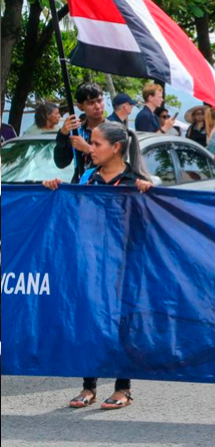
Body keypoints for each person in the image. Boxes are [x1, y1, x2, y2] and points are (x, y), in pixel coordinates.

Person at [43, 121, 153, 411]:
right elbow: (72, 212)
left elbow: (154, 225)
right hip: (91, 264)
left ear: (116, 147)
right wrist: (55, 189)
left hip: (126, 266)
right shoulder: (89, 179)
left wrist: (149, 195)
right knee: (89, 321)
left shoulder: (137, 181)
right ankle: (88, 386)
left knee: (122, 325)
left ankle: (123, 389)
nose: (90, 149)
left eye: (95, 144)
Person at [54, 82, 106, 183]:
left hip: (105, 190)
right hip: (80, 189)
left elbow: (118, 163)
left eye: (100, 101)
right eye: (91, 103)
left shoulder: (114, 130)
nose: (98, 106)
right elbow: (61, 162)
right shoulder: (77, 132)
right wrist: (63, 135)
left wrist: (87, 148)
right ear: (80, 106)